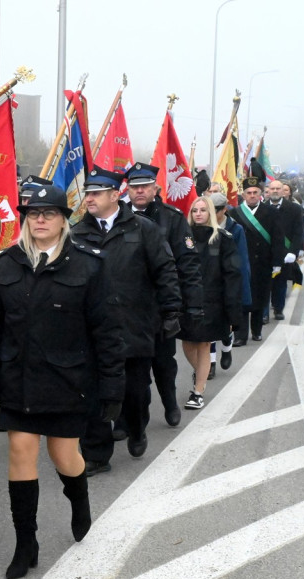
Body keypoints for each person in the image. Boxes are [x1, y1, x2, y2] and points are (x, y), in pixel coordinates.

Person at [0, 185, 124, 579]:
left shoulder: (89, 265)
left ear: (64, 219)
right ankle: (26, 543)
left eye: (49, 213)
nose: (40, 219)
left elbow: (106, 332)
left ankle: (78, 497)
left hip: (67, 378)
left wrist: (112, 388)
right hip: (18, 377)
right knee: (21, 452)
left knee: (64, 457)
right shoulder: (6, 263)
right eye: (33, 212)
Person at [70, 167, 181, 475]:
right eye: (87, 193)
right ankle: (96, 453)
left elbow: (165, 269)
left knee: (134, 390)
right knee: (93, 392)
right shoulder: (76, 233)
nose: (89, 198)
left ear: (112, 194)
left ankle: (136, 428)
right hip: (92, 331)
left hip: (134, 325)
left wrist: (171, 310)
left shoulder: (143, 229)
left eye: (95, 193)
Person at [124, 162, 203, 429]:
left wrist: (191, 307)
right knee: (130, 367)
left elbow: (188, 265)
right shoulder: (118, 216)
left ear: (156, 188)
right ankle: (129, 419)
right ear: (127, 190)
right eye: (134, 187)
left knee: (162, 362)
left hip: (161, 306)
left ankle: (169, 402)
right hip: (128, 307)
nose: (140, 191)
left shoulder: (173, 218)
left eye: (145, 186)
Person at [180, 196, 244, 410]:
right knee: (187, 344)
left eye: (203, 210)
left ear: (211, 213)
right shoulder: (182, 237)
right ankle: (201, 373)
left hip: (212, 301)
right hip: (186, 300)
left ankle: (198, 391)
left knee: (204, 345)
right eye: (195, 210)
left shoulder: (223, 239)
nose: (198, 213)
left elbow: (233, 275)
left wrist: (233, 309)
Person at [229, 177, 286, 342]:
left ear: (261, 194)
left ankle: (256, 330)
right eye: (249, 193)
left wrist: (277, 262)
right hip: (241, 263)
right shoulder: (234, 213)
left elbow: (278, 238)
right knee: (242, 298)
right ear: (244, 194)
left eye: (255, 192)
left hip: (263, 262)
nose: (252, 195)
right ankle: (240, 335)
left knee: (260, 298)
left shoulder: (271, 212)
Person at [210, 192, 251, 365]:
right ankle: (210, 362)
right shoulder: (202, 227)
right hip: (209, 282)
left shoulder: (236, 229)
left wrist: (241, 290)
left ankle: (227, 347)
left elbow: (241, 261)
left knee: (226, 322)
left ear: (224, 210)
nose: (211, 214)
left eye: (215, 210)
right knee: (207, 327)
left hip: (228, 282)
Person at [266, 179, 304, 320]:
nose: (275, 191)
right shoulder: (263, 207)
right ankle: (264, 314)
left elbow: (298, 232)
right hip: (266, 253)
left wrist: (293, 252)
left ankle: (278, 309)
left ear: (283, 191)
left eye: (278, 188)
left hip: (285, 253)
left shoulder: (294, 209)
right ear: (268, 191)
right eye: (272, 188)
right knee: (265, 284)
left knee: (281, 282)